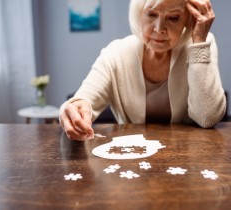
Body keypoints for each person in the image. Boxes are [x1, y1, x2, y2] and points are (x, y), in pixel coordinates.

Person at [59, 0, 226, 141]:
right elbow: (82, 100)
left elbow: (207, 118)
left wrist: (199, 43)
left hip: (186, 158)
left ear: (188, 20)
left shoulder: (201, 43)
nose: (159, 28)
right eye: (151, 15)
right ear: (139, 14)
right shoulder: (116, 52)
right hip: (131, 159)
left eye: (173, 18)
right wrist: (73, 110)